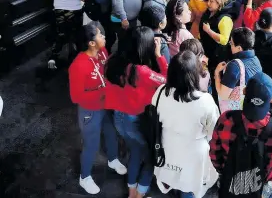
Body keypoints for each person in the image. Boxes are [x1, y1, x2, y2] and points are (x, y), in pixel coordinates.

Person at [104, 26, 168, 198]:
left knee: (135, 152)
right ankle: (139, 194)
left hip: (118, 118)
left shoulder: (113, 61)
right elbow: (168, 80)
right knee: (149, 158)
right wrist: (159, 55)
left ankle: (132, 192)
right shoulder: (141, 71)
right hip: (135, 120)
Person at [69, 24, 127, 194]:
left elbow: (107, 72)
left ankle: (113, 159)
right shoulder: (78, 66)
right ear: (91, 43)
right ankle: (85, 176)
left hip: (106, 105)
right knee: (91, 144)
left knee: (111, 132)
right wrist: (103, 92)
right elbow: (76, 97)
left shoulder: (102, 53)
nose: (104, 37)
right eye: (100, 35)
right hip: (90, 111)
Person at [153, 51, 219, 198]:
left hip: (167, 145)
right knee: (189, 185)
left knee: (171, 176)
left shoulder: (160, 91)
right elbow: (213, 131)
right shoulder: (205, 100)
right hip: (193, 151)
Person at [210, 72, 272, 198]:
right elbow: (271, 162)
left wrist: (223, 171)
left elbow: (215, 153)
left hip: (230, 183)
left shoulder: (226, 119)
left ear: (244, 91)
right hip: (259, 187)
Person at [46, 0, 86, 69]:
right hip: (75, 12)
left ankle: (53, 58)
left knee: (61, 34)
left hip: (59, 11)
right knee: (77, 34)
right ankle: (78, 58)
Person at [214, 27, 262, 112]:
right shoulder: (256, 60)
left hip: (236, 113)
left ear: (239, 48)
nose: (230, 45)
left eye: (231, 43)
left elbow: (223, 95)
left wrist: (217, 73)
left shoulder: (234, 66)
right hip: (252, 108)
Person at [200, 0, 235, 81]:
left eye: (211, 1)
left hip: (218, 58)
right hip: (208, 55)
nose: (208, 3)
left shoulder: (225, 19)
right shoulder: (209, 12)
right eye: (208, 0)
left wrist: (208, 31)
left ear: (219, 2)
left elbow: (224, 40)